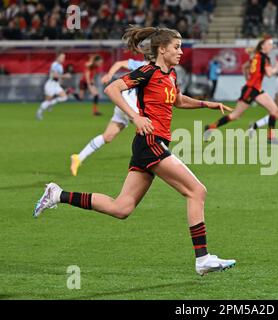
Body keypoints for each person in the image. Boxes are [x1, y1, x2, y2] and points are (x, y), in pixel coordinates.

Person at [33, 26, 236, 276]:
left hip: (150, 145)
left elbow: (179, 100)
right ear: (162, 49)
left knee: (122, 208)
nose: (181, 52)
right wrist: (136, 117)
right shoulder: (147, 71)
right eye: (177, 47)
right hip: (150, 142)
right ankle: (203, 258)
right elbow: (111, 89)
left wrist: (207, 104)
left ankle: (57, 194)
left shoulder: (170, 75)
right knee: (197, 191)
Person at [70, 57, 149, 176]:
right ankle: (155, 164)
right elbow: (119, 63)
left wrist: (109, 75)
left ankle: (78, 157)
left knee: (108, 136)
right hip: (131, 105)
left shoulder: (143, 65)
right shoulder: (150, 68)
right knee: (150, 130)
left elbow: (119, 63)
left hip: (122, 102)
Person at [203, 35, 278, 144]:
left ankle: (270, 137)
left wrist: (248, 79)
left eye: (271, 44)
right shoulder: (264, 57)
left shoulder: (256, 56)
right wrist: (277, 67)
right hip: (251, 89)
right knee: (235, 115)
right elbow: (269, 74)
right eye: (269, 44)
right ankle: (211, 127)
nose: (271, 46)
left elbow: (245, 67)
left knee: (275, 110)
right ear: (263, 46)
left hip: (255, 89)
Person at [36, 52, 72, 120]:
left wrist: (64, 78)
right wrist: (65, 76)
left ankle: (50, 104)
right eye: (62, 57)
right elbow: (54, 75)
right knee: (47, 101)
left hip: (56, 85)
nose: (63, 59)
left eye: (64, 58)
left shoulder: (60, 66)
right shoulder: (54, 65)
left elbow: (59, 77)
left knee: (64, 97)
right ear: (57, 57)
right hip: (50, 85)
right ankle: (39, 112)